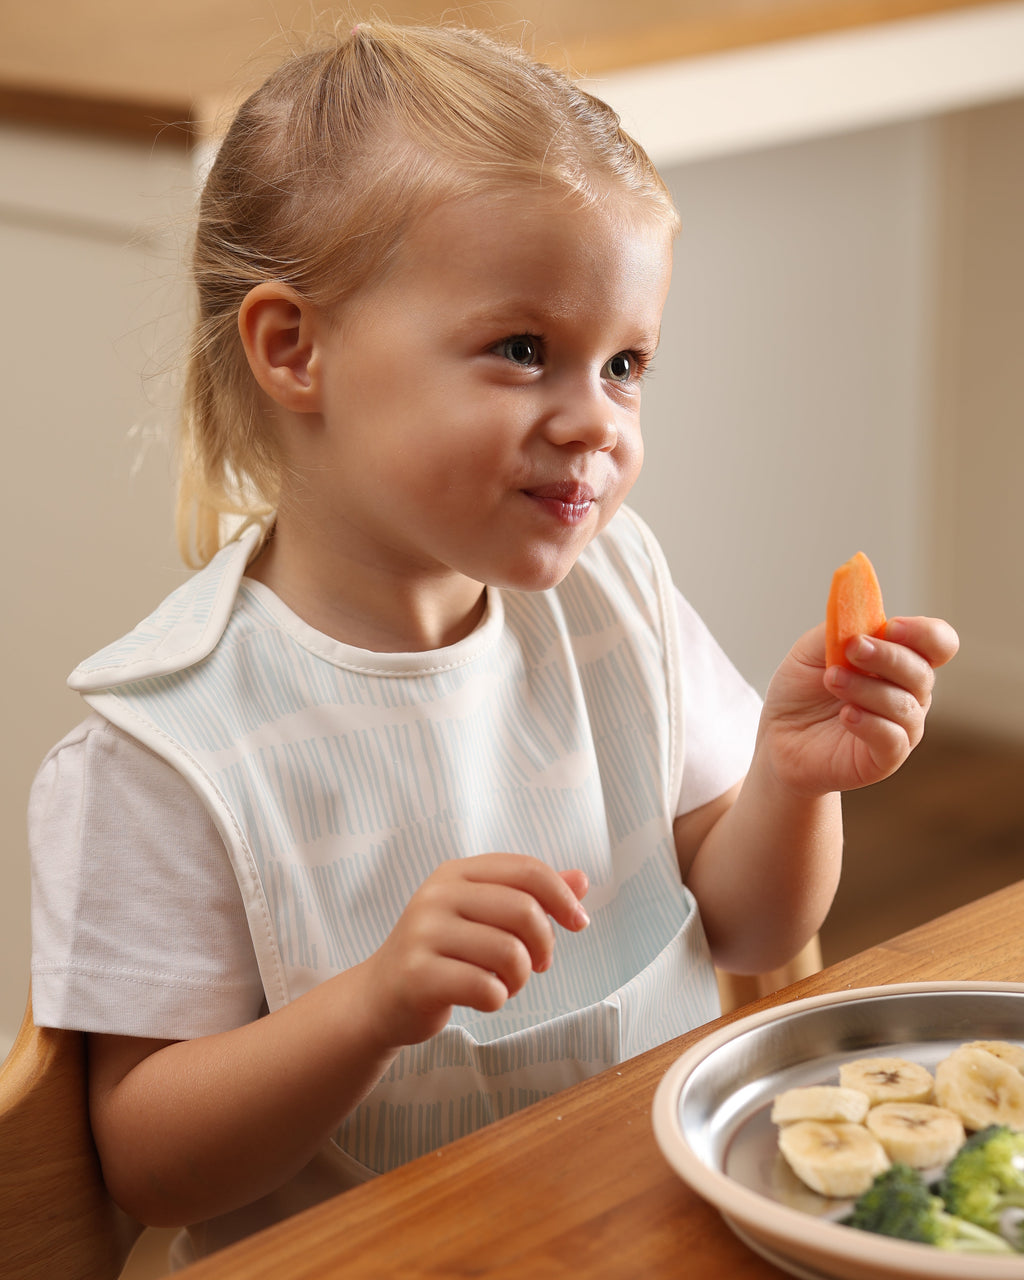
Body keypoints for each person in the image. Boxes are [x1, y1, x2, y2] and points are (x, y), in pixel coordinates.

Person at [28, 19, 958, 1266]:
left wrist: (793, 782)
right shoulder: (169, 744)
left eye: (626, 363)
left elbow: (747, 927)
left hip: (655, 1231)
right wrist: (369, 1006)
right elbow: (149, 1161)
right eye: (524, 350)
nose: (595, 420)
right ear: (293, 347)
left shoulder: (615, 592)